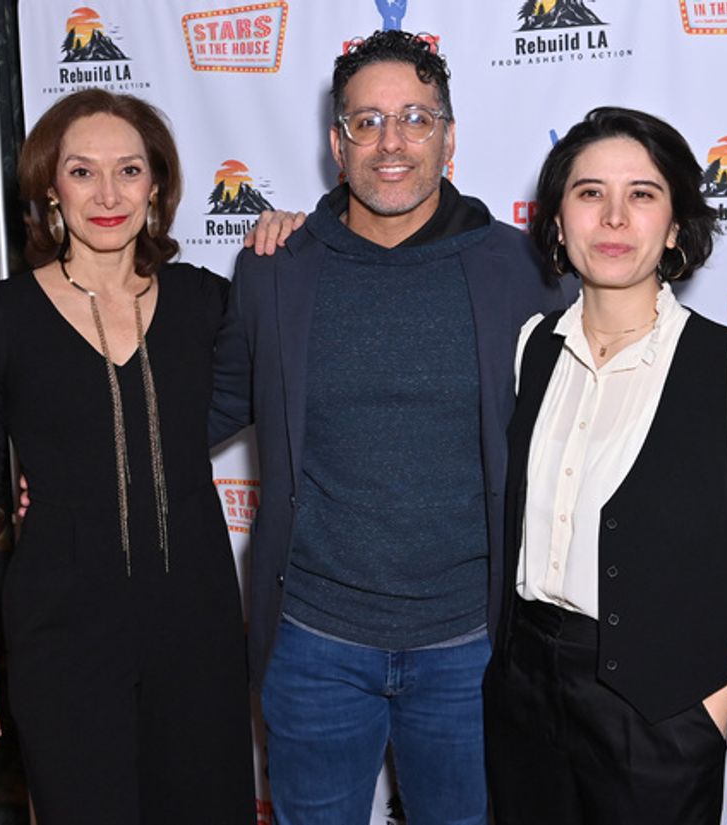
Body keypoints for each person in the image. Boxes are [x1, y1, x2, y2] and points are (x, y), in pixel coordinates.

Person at [209, 30, 571, 825]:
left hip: (470, 649)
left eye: (415, 117)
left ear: (449, 135)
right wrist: (69, 470)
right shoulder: (276, 267)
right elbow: (204, 406)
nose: (391, 142)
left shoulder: (526, 273)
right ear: (336, 145)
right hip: (313, 646)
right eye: (365, 123)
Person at [0, 89, 297, 824]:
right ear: (49, 189)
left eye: (129, 170)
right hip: (62, 631)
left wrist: (298, 235)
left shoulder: (209, 303)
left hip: (195, 625)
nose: (108, 194)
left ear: (157, 187)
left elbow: (293, 360)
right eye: (81, 172)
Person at [483, 107, 727, 824]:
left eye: (643, 194)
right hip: (523, 689)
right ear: (558, 224)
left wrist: (704, 712)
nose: (615, 217)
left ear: (676, 226)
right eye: (590, 193)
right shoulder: (533, 347)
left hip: (657, 709)